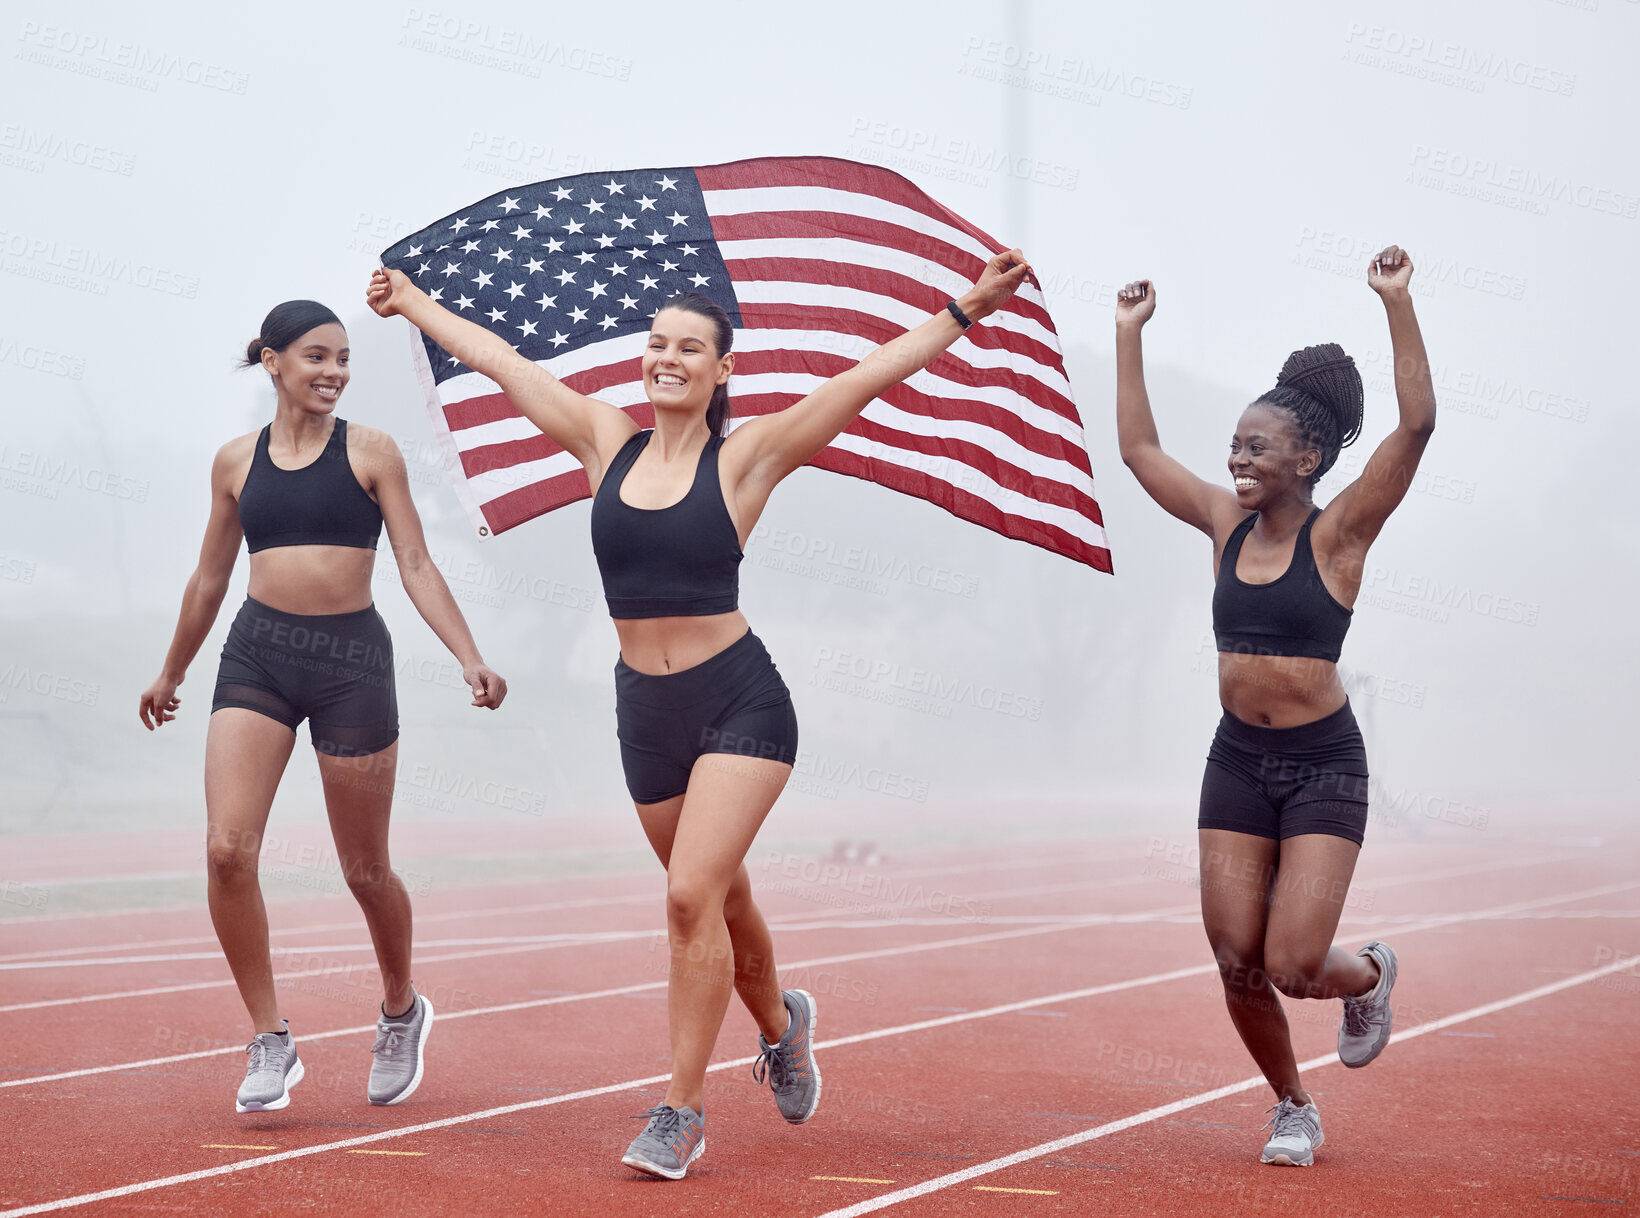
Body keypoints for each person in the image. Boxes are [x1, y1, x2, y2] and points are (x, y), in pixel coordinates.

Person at [367, 251, 1029, 1179]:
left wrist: (967, 308)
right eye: (656, 345)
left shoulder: (749, 456)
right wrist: (414, 305)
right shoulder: (605, 438)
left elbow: (866, 378)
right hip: (645, 709)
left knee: (687, 898)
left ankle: (680, 1110)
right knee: (723, 898)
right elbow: (505, 365)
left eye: (689, 349)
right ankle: (780, 1024)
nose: (665, 359)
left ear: (722, 371)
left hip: (740, 701)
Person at [139, 300, 507, 1113]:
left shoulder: (372, 452)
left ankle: (401, 1009)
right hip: (257, 656)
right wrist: (172, 672)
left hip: (350, 666)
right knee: (227, 852)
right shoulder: (235, 462)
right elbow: (209, 578)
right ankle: (270, 1039)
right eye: (316, 356)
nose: (334, 371)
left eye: (343, 358)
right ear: (273, 361)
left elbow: (413, 562)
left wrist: (468, 654)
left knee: (364, 870)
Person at [1113, 247, 1435, 1166]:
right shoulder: (1225, 523)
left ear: (1309, 458)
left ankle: (1368, 974)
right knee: (1234, 956)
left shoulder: (1341, 534)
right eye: (1234, 445)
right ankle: (1293, 1104)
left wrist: (1397, 303)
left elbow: (1416, 426)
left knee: (1296, 964)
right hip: (1238, 763)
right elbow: (1139, 451)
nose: (1237, 458)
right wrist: (1129, 338)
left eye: (1256, 447)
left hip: (1324, 763)